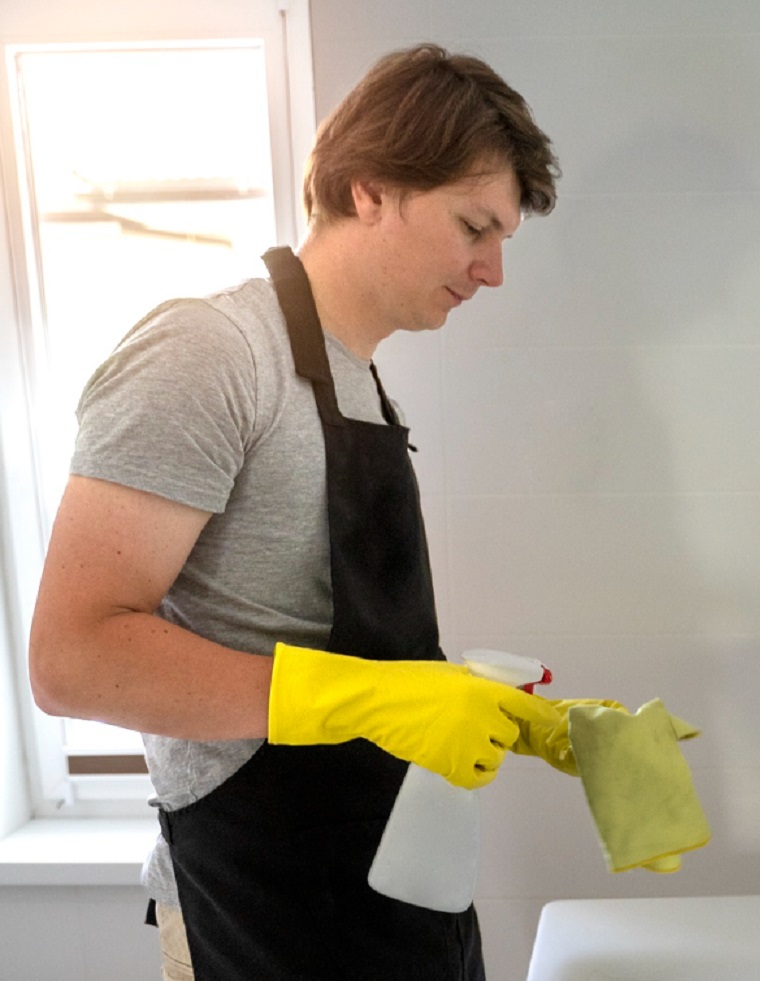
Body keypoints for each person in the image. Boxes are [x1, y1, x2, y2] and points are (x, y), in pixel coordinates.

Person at [28, 44, 562, 981]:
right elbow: (73, 659)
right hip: (260, 904)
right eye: (475, 226)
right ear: (371, 189)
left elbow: (341, 633)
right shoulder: (210, 353)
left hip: (386, 896)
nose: (492, 272)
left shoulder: (360, 383)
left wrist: (497, 712)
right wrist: (376, 699)